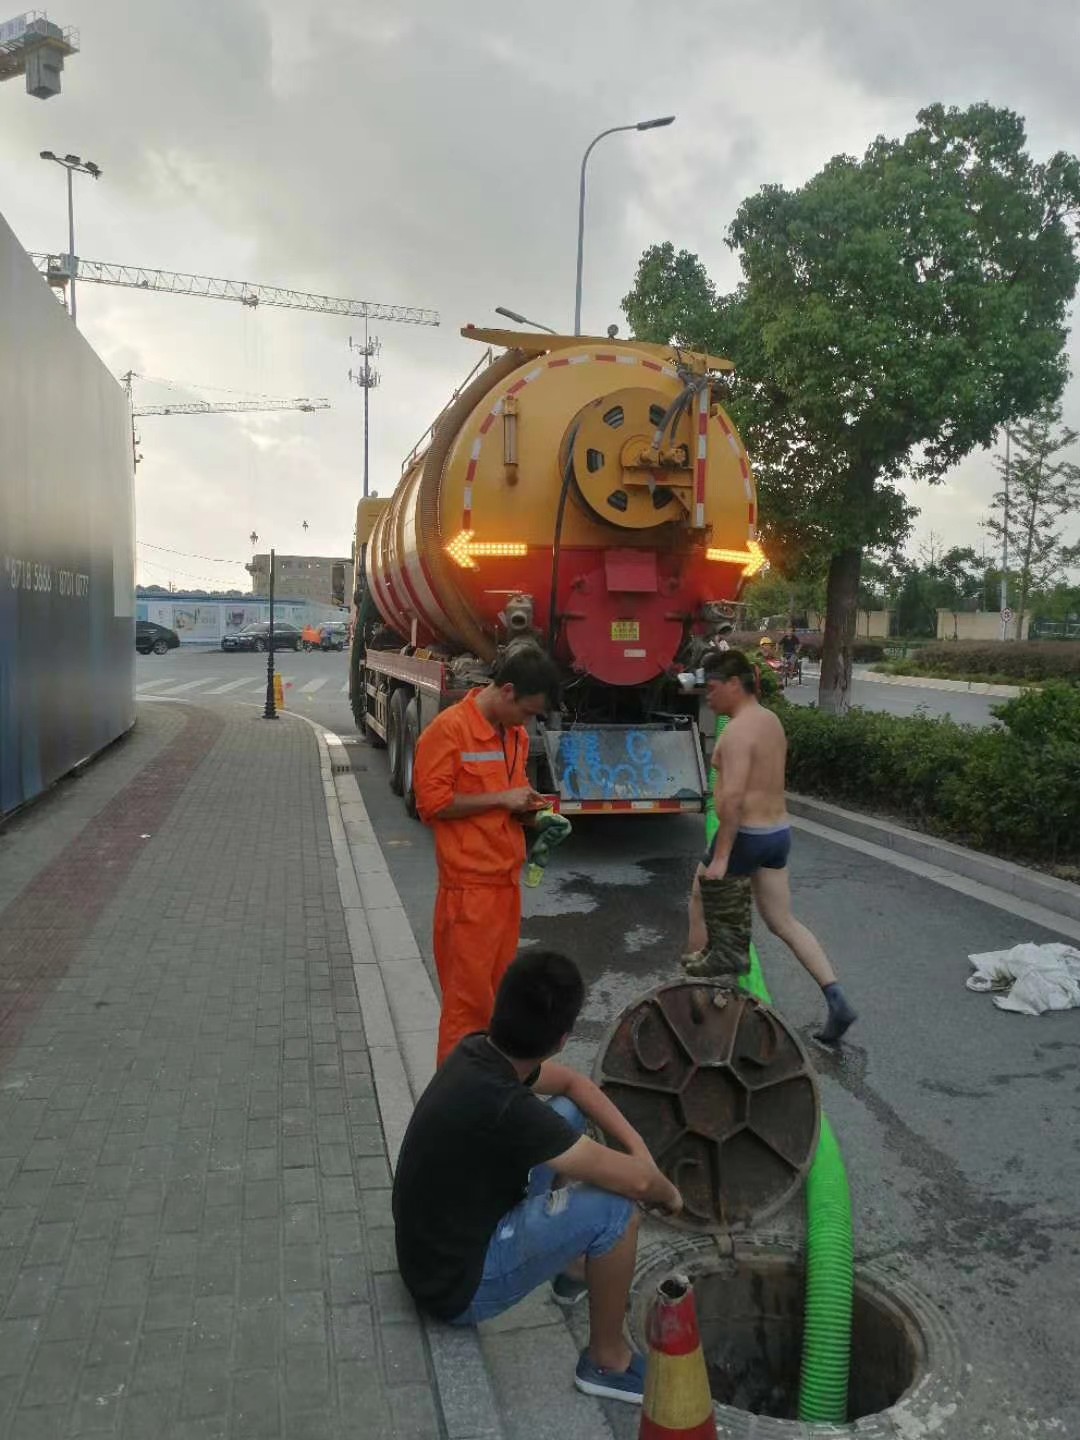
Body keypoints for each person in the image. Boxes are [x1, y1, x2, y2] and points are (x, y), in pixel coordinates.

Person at [393, 950, 683, 1404]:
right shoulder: (509, 1106)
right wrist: (667, 1191)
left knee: (567, 1113)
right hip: (452, 1286)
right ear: (563, 1039)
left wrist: (639, 1151)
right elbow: (640, 1186)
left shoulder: (477, 1050)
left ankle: (571, 1271)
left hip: (430, 1250)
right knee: (615, 1209)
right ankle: (606, 1362)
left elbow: (575, 1088)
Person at [686, 649, 857, 1045]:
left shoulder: (736, 731)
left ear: (734, 684)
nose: (707, 697)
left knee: (698, 902)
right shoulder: (770, 720)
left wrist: (723, 857)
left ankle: (691, 1002)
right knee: (782, 921)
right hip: (778, 833)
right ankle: (836, 998)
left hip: (744, 835)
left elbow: (730, 799)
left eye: (711, 689)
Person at [414, 647, 562, 1065]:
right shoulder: (448, 732)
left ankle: (488, 1094)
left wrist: (535, 817)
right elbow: (432, 805)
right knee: (467, 1012)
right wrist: (502, 799)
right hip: (469, 895)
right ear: (508, 691)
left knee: (498, 1007)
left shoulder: (511, 734)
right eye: (528, 712)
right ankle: (455, 1107)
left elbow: (509, 802)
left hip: (503, 889)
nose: (528, 723)